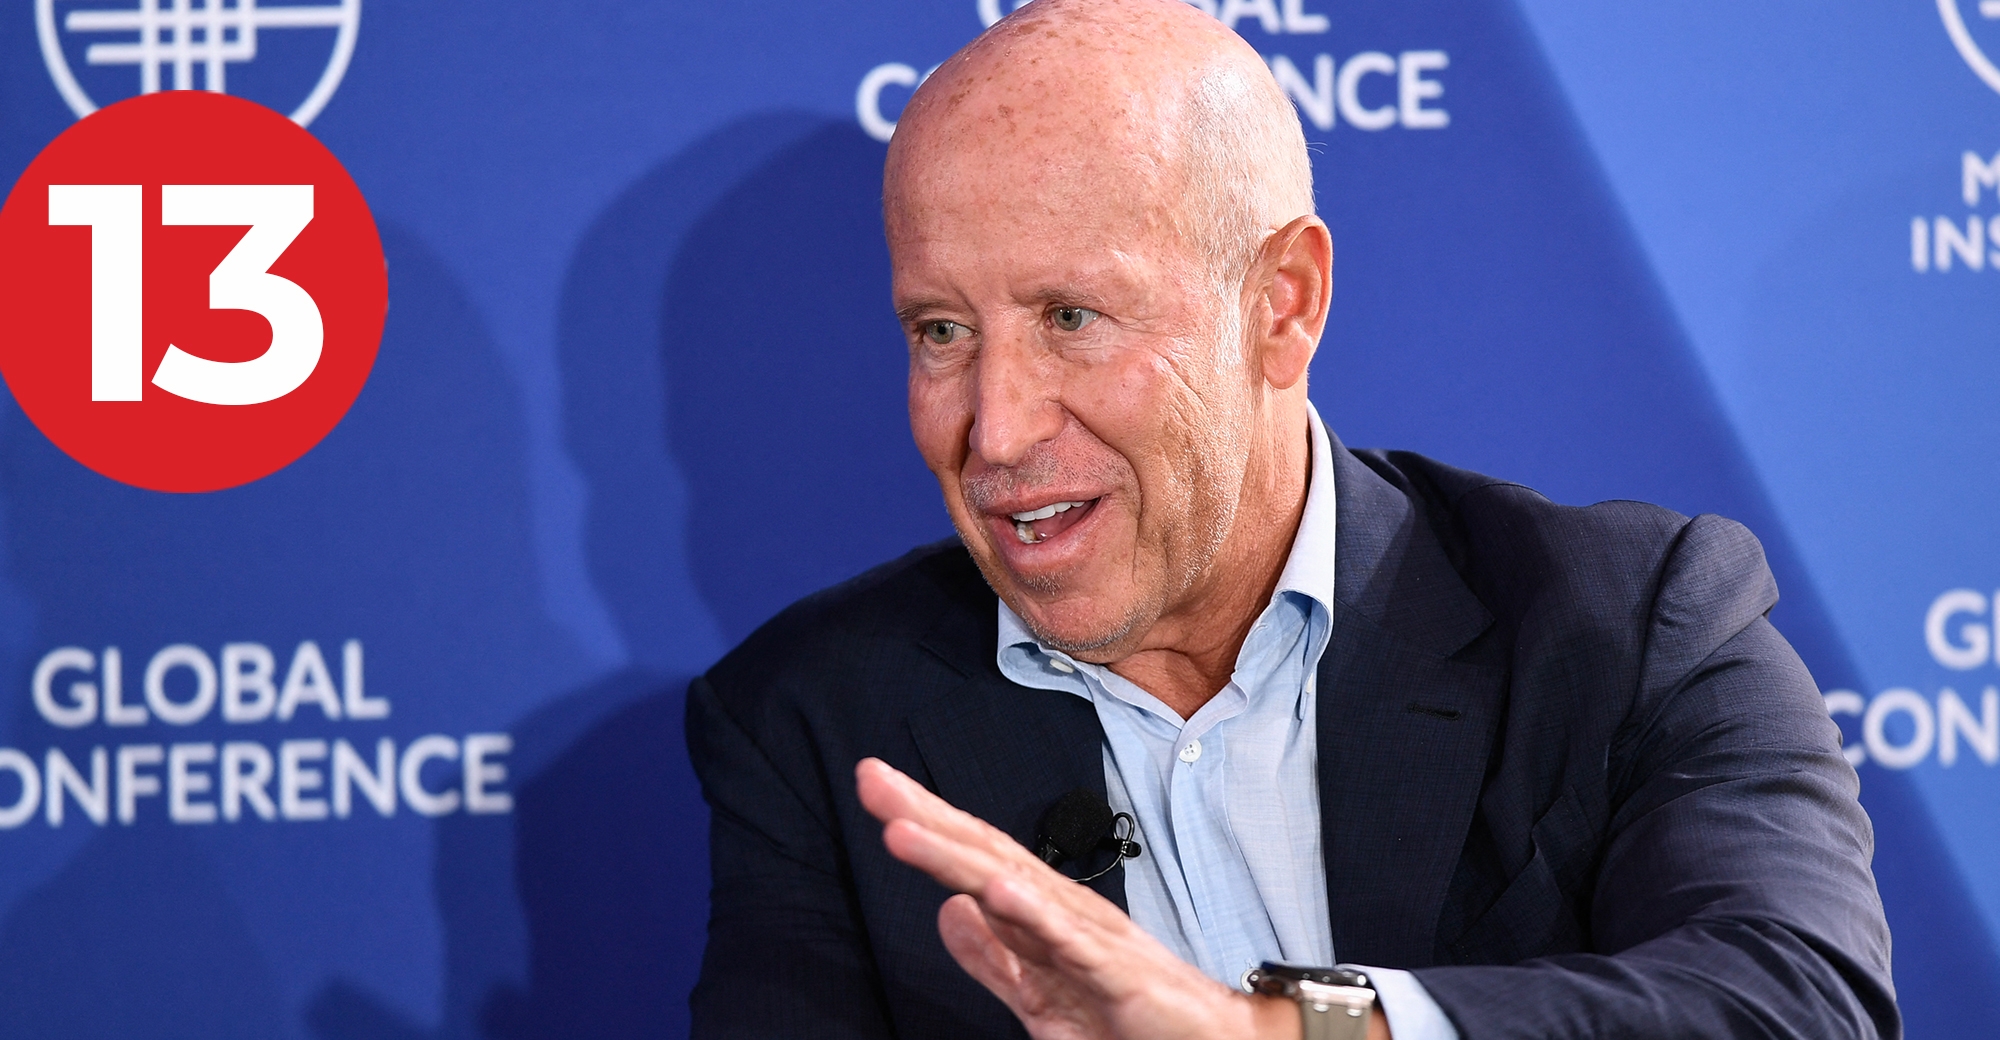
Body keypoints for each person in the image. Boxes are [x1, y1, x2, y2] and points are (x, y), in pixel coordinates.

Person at [684, 0, 1897, 1036]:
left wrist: (1276, 1030)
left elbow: (1792, 998)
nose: (993, 429)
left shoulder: (1626, 623)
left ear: (1281, 303)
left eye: (1069, 317)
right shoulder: (813, 720)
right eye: (941, 330)